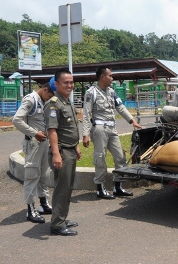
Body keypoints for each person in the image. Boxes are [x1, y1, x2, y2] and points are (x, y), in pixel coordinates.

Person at [82, 66, 143, 200]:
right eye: (110, 75)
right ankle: (100, 188)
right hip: (99, 129)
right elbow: (86, 114)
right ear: (102, 77)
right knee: (100, 158)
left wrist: (132, 120)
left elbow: (120, 107)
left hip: (112, 128)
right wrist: (85, 134)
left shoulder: (111, 91)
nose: (112, 78)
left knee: (120, 156)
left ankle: (118, 186)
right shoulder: (91, 92)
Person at [12, 80, 55, 223]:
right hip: (33, 143)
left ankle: (43, 203)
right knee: (32, 175)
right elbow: (17, 120)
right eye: (50, 95)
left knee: (44, 174)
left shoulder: (43, 101)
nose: (50, 98)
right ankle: (30, 209)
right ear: (44, 89)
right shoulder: (31, 100)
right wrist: (34, 133)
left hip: (43, 143)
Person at [44, 69, 81, 236]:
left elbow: (70, 129)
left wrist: (76, 146)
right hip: (62, 152)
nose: (70, 85)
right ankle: (57, 224)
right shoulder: (53, 104)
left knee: (68, 187)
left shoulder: (66, 102)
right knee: (62, 188)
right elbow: (52, 131)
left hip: (70, 149)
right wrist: (56, 154)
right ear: (56, 84)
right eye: (65, 82)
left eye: (71, 82)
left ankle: (61, 218)